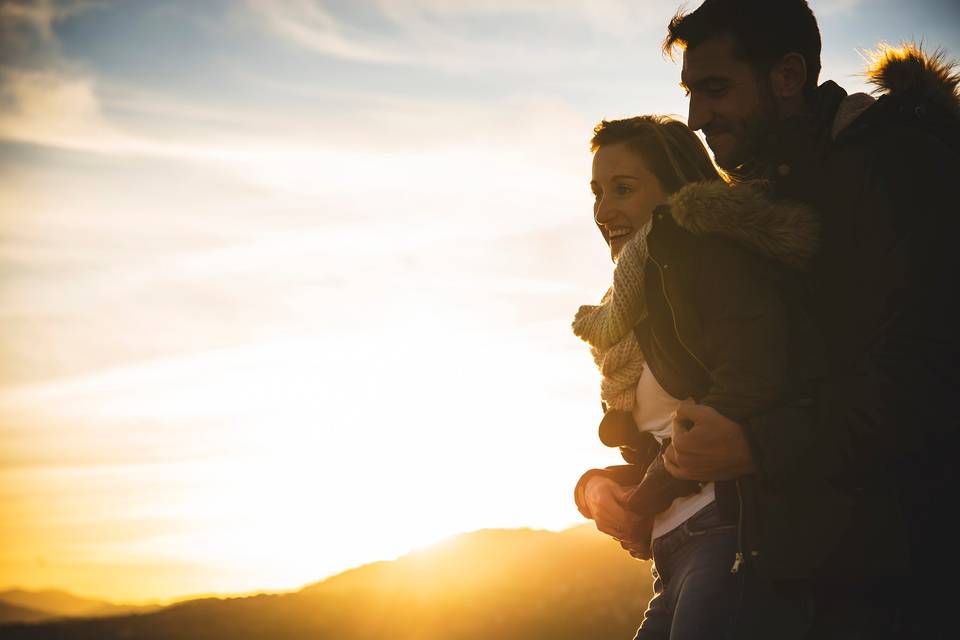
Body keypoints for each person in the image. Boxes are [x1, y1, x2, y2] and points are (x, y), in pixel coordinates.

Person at [646, 0, 959, 637]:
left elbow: (931, 372)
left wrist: (758, 444)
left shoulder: (902, 168)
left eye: (714, 89)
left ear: (788, 77)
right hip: (804, 584)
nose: (696, 117)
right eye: (690, 93)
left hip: (904, 588)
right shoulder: (774, 200)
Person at [572, 115, 821, 639]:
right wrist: (595, 489)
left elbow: (742, 393)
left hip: (728, 532)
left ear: (674, 191)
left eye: (623, 188)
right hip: (673, 550)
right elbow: (661, 443)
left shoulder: (702, 258)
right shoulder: (639, 303)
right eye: (597, 192)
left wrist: (642, 502)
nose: (603, 209)